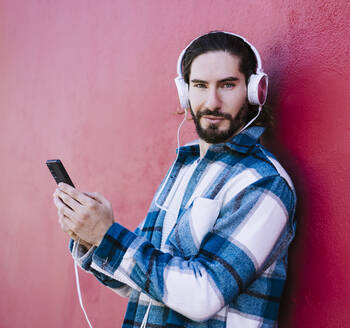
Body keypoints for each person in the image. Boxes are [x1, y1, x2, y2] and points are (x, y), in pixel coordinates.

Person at [53, 31, 296, 328]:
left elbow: (203, 294)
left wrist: (108, 235)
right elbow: (140, 282)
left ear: (253, 91)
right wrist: (91, 237)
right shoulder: (184, 169)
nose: (212, 101)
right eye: (200, 86)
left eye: (228, 85)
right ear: (186, 94)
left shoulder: (264, 183)